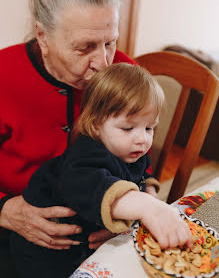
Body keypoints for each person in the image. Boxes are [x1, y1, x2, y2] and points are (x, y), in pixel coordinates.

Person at [0, 0, 137, 276]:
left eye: (110, 42)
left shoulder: (124, 72)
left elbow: (140, 158)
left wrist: (130, 209)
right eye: (84, 47)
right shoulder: (3, 74)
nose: (104, 63)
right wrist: (5, 210)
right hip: (14, 229)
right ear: (43, 36)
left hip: (102, 227)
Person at [10, 63, 193, 278]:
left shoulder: (130, 149)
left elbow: (142, 174)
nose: (143, 139)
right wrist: (148, 207)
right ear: (96, 124)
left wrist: (149, 193)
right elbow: (95, 187)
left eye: (149, 128)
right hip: (47, 252)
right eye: (128, 128)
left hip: (89, 242)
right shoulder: (85, 155)